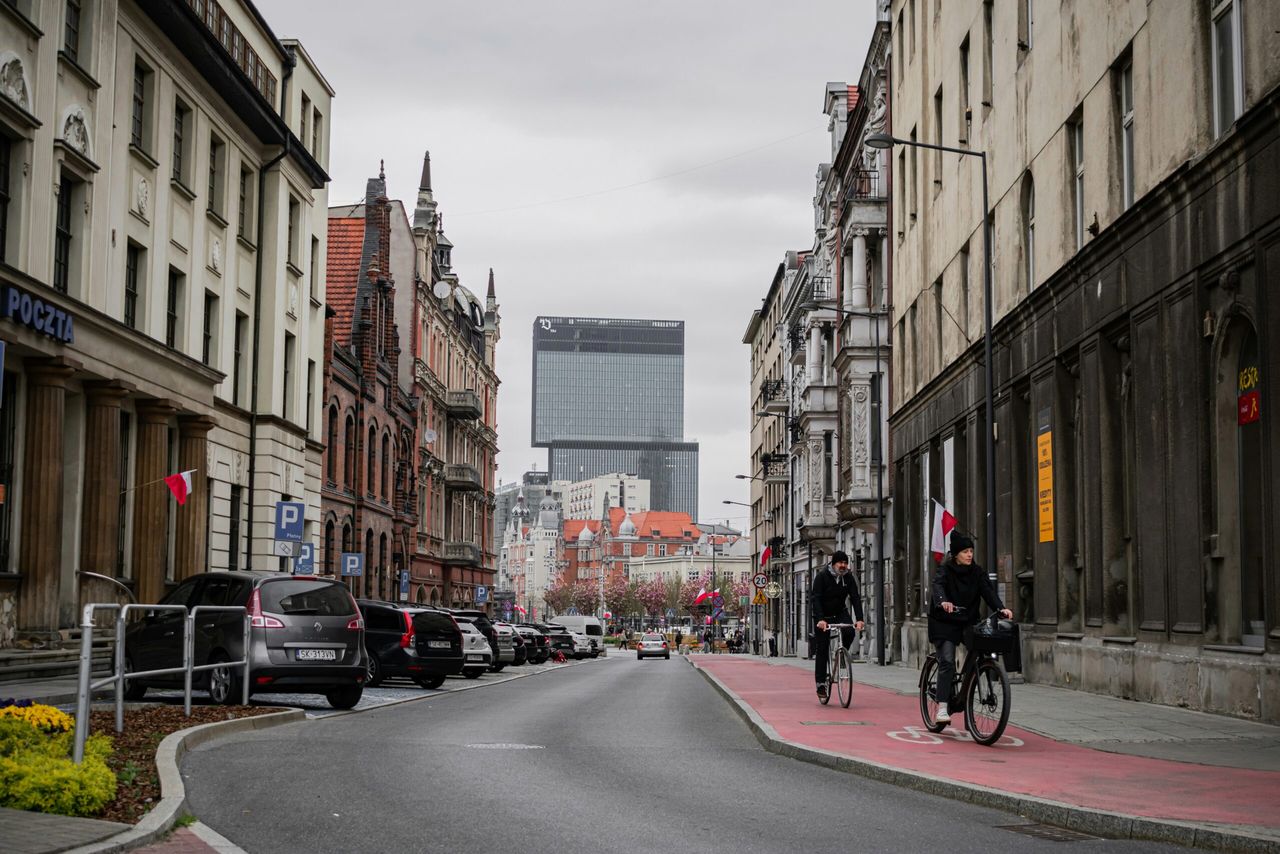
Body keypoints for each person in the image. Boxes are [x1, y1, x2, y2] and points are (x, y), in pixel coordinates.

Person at [928, 531, 1013, 725]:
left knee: (981, 648)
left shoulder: (977, 572)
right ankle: (942, 708)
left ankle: (967, 690)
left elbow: (987, 591)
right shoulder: (945, 570)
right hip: (944, 620)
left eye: (971, 551)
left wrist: (1001, 608)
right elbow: (938, 586)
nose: (969, 555)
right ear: (956, 554)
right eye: (965, 551)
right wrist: (943, 602)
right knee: (947, 660)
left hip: (967, 619)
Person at [810, 550, 866, 701]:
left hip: (840, 612)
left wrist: (860, 619)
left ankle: (842, 656)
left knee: (849, 632)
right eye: (840, 563)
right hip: (823, 615)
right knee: (822, 648)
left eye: (845, 563)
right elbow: (816, 599)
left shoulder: (848, 578)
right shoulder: (822, 577)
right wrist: (820, 619)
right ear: (833, 563)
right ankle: (821, 684)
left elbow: (855, 597)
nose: (843, 566)